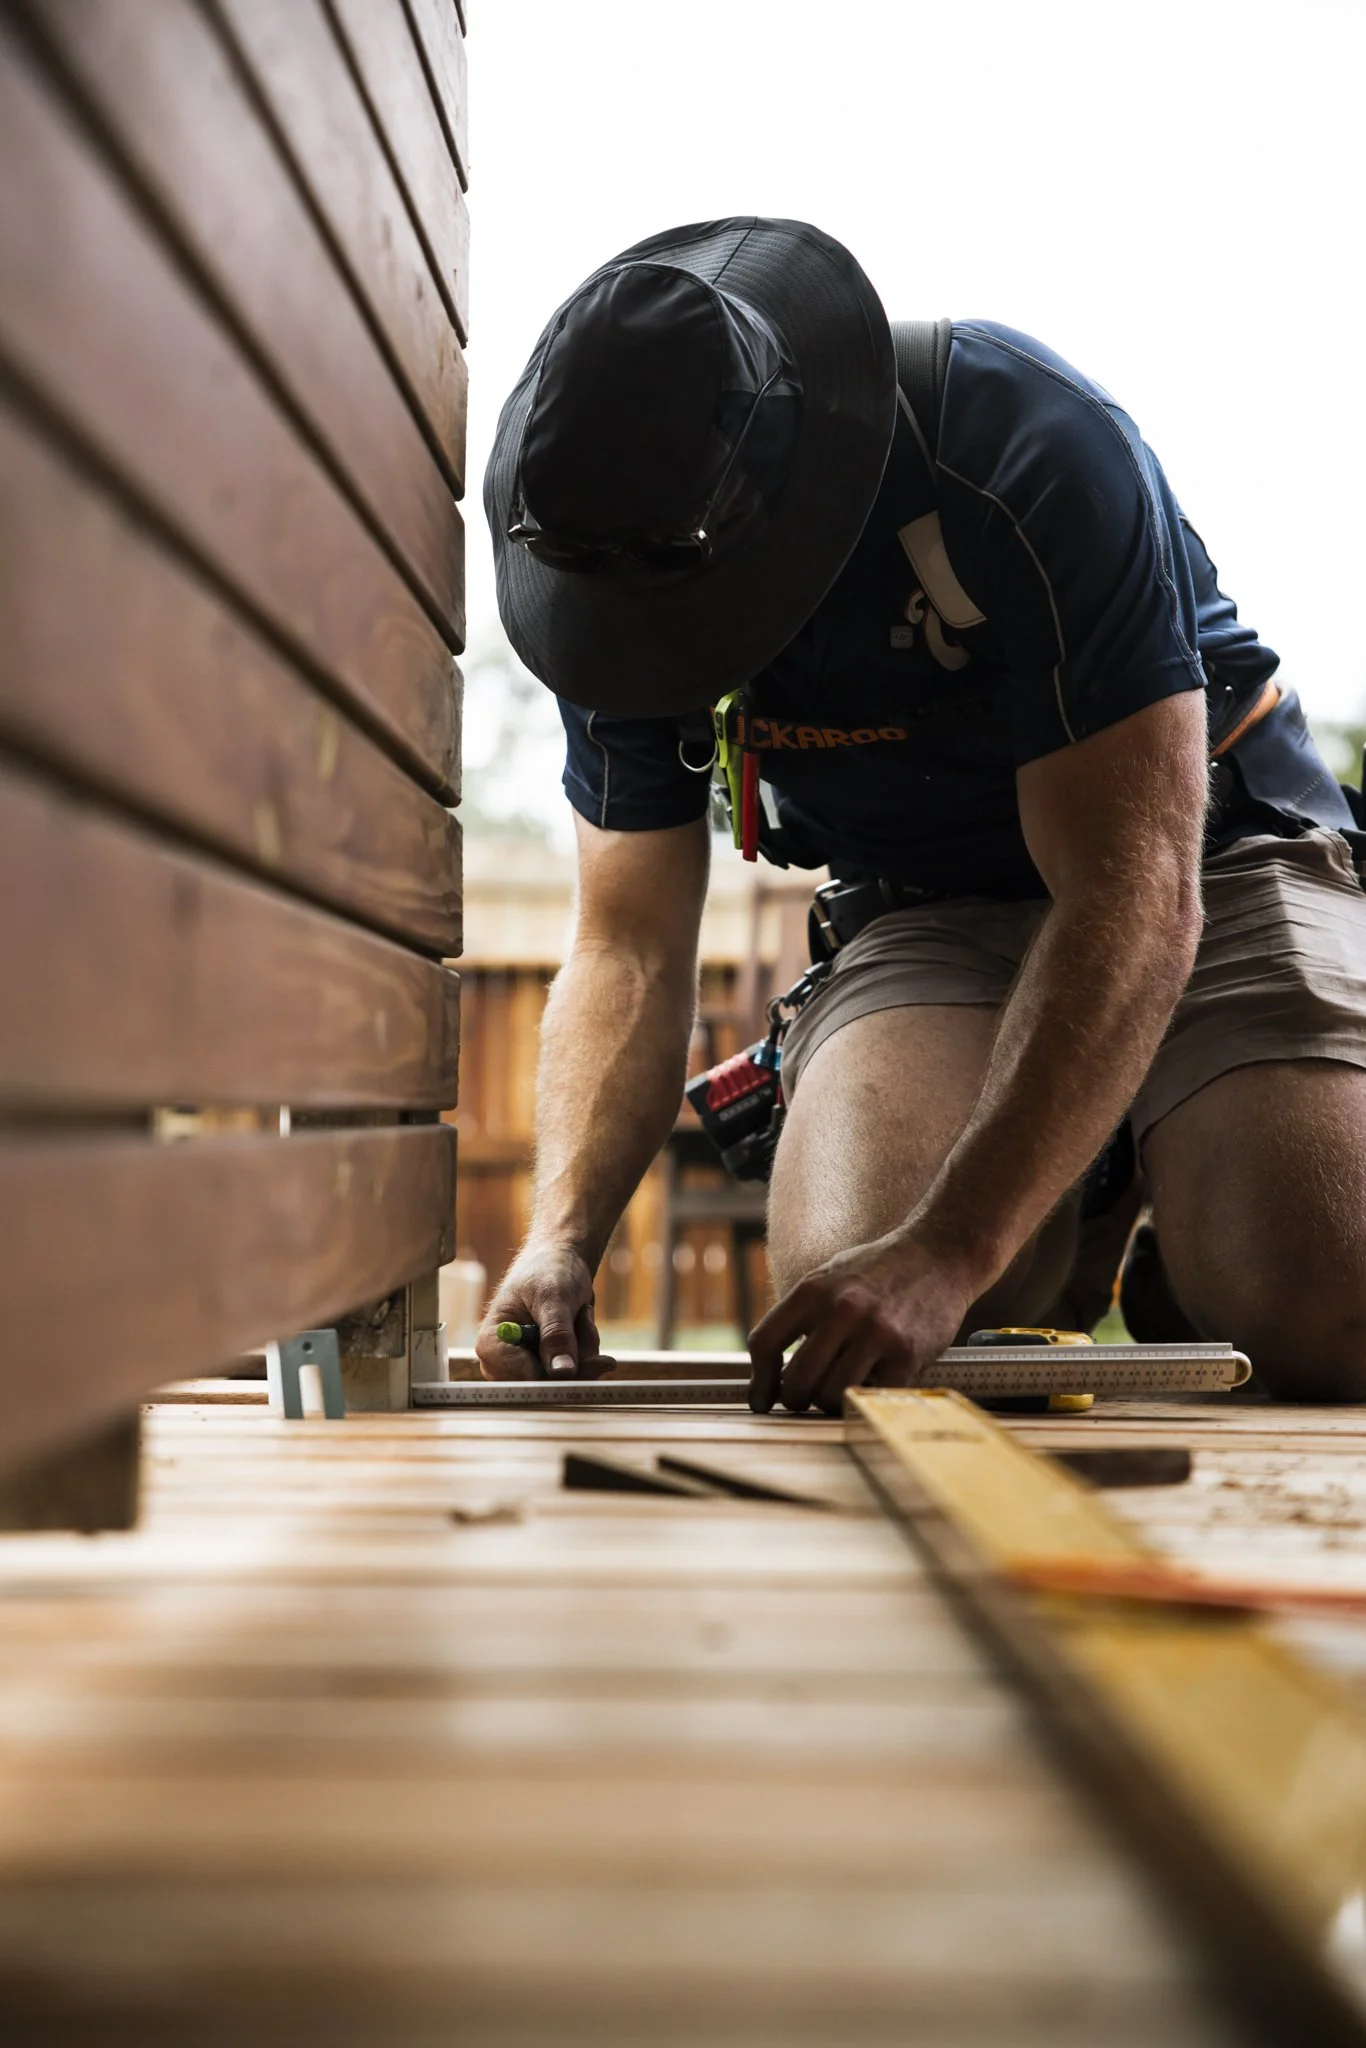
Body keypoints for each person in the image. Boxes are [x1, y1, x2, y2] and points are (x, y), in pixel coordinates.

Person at [476, 215, 1366, 1411]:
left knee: (1328, 1308)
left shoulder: (1020, 447)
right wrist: (559, 1241)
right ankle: (1078, 1188)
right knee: (855, 1282)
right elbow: (627, 943)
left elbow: (1134, 891)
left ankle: (1176, 1188)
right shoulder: (603, 559)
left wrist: (950, 1249)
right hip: (926, 906)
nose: (655, 649)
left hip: (1207, 861)